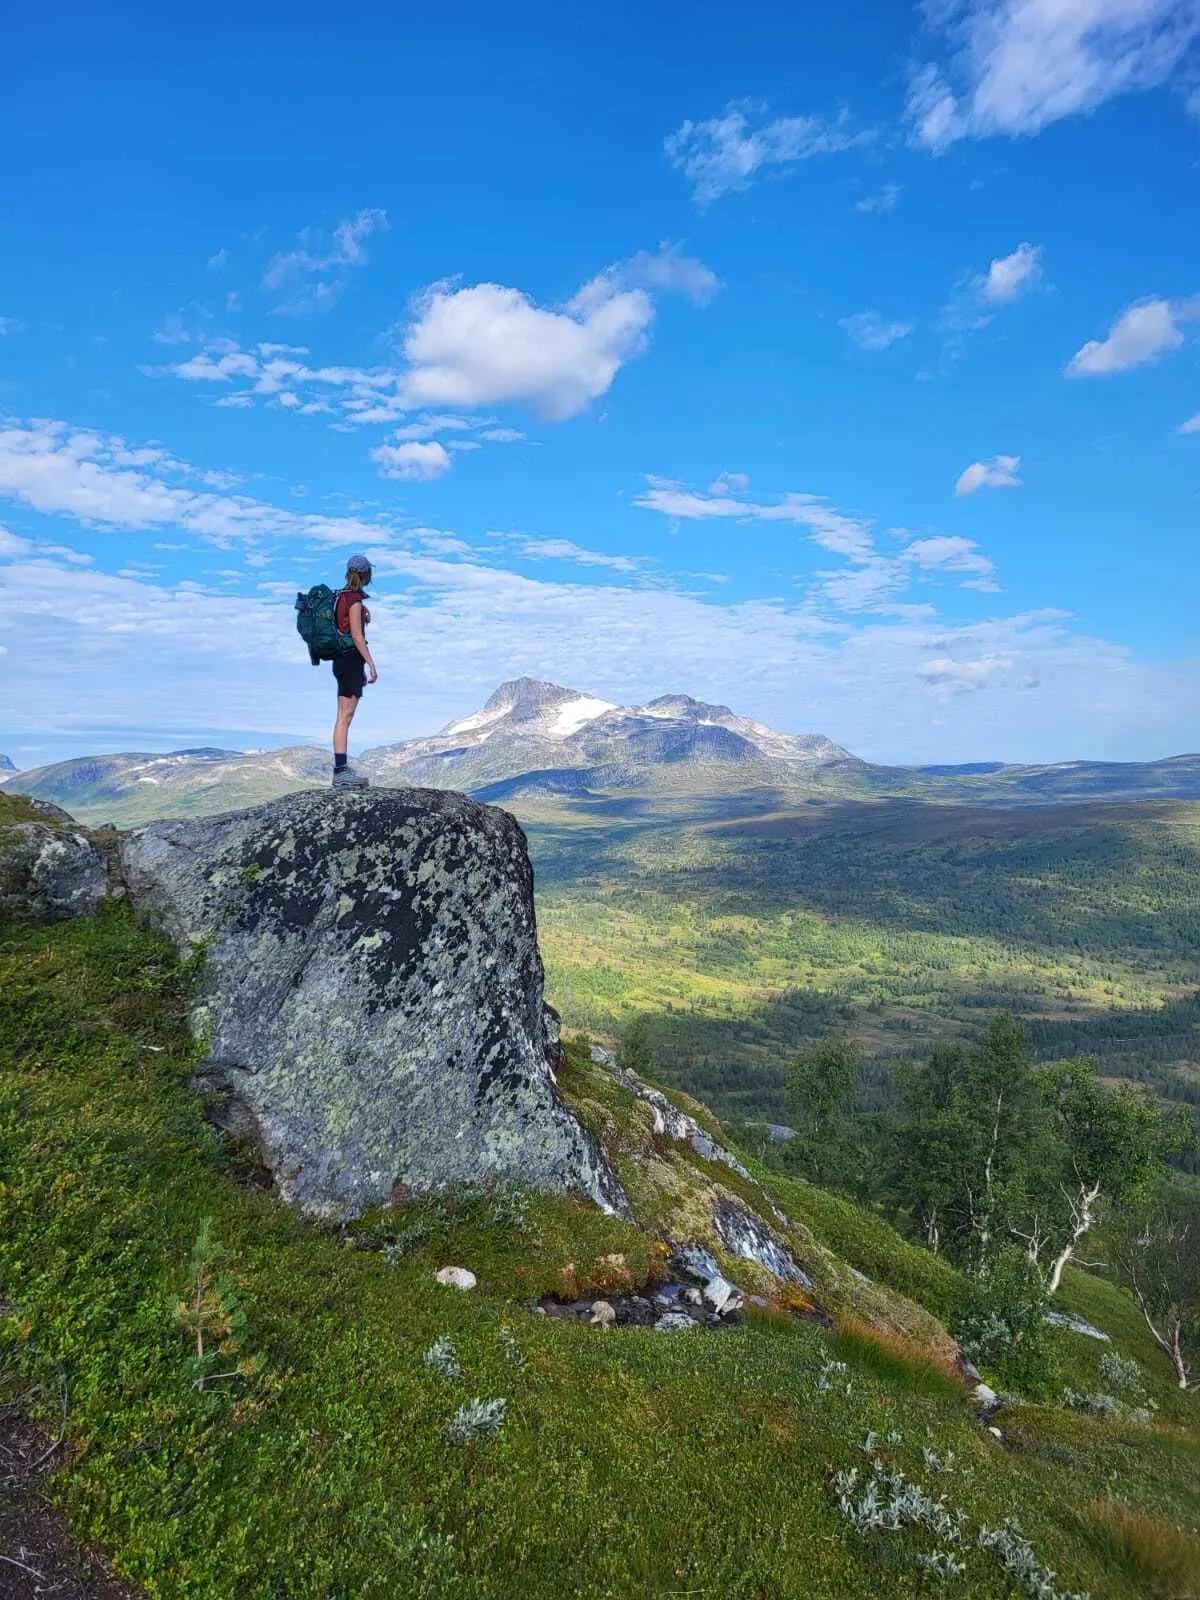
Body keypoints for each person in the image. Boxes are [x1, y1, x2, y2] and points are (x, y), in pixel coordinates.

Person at [331, 553, 378, 788]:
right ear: (365, 574)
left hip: (340, 660)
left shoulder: (340, 597)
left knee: (342, 715)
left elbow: (343, 624)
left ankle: (340, 769)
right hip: (351, 660)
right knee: (345, 717)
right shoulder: (355, 601)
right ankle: (341, 771)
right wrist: (370, 663)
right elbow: (357, 636)